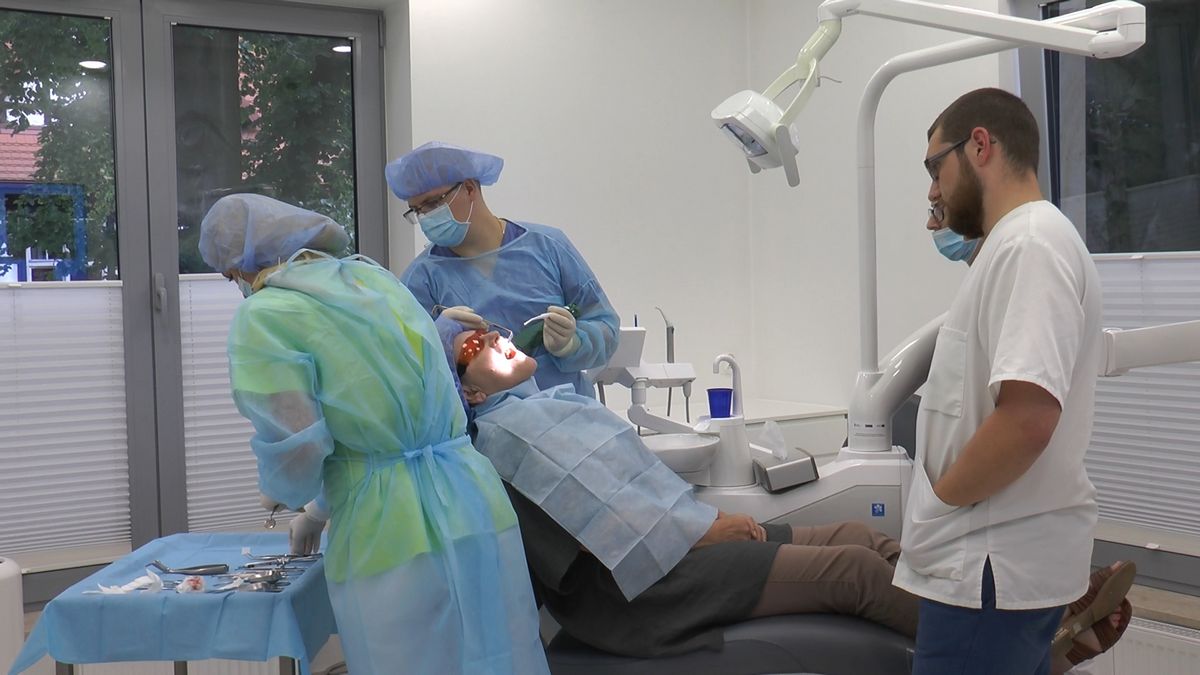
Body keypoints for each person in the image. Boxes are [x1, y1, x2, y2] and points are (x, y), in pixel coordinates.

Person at [439, 321, 1125, 672]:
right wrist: (701, 532)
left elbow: (632, 493)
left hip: (674, 551)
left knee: (861, 537)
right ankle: (1021, 655)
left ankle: (1035, 624)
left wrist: (701, 524)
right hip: (641, 592)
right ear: (462, 390)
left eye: (491, 328)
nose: (495, 338)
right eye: (473, 345)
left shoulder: (550, 405)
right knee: (852, 572)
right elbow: (603, 529)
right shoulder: (501, 444)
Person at [198, 193, 549, 675]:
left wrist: (285, 490)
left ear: (242, 265)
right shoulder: (374, 280)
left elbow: (299, 446)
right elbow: (397, 426)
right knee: (499, 657)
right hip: (475, 507)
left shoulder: (265, 316)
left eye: (230, 275)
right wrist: (320, 510)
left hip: (392, 535)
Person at [896, 87, 1122, 675]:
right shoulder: (1014, 245)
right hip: (989, 565)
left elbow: (1026, 421)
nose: (932, 191)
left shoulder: (1031, 244)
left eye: (934, 168)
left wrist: (937, 508)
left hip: (986, 567)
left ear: (980, 146)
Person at [387, 141, 619, 398]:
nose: (425, 217)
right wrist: (439, 338)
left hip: (569, 412)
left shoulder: (547, 246)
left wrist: (572, 344)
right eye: (417, 210)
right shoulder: (420, 279)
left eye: (433, 203)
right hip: (487, 421)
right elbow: (407, 368)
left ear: (469, 188)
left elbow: (605, 325)